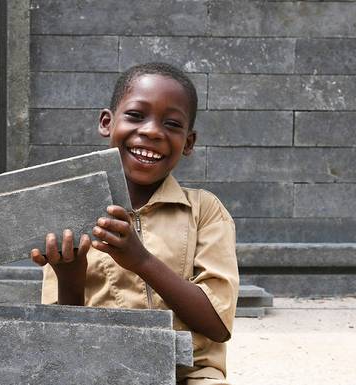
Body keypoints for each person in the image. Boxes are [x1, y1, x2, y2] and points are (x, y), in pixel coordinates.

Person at [31, 62, 239, 385]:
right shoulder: (71, 214)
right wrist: (70, 276)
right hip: (100, 374)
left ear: (188, 142)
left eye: (172, 124)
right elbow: (65, 344)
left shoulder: (205, 211)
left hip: (188, 375)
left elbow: (217, 324)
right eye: (136, 115)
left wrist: (140, 260)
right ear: (106, 123)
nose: (153, 131)